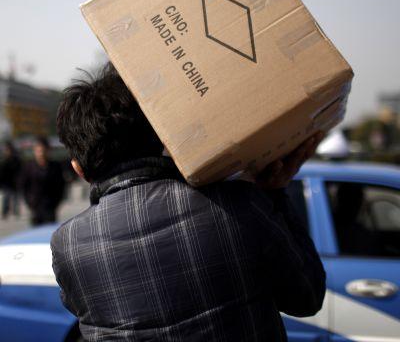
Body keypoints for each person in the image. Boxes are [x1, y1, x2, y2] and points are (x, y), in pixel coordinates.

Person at [51, 63, 326, 342]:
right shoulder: (237, 203)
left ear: (78, 169)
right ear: (160, 137)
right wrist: (275, 193)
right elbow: (307, 298)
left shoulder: (67, 244)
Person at [21, 136, 66, 226]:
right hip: (35, 206)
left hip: (50, 207)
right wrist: (29, 202)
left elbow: (61, 185)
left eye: (43, 150)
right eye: (38, 151)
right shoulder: (29, 167)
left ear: (48, 150)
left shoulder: (55, 167)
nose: (41, 153)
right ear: (35, 151)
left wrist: (56, 202)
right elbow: (23, 185)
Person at [0, 140, 22, 219]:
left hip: (15, 183)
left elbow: (20, 171)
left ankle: (16, 211)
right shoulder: (4, 161)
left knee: (16, 198)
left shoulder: (16, 160)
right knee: (6, 198)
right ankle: (5, 213)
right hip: (6, 184)